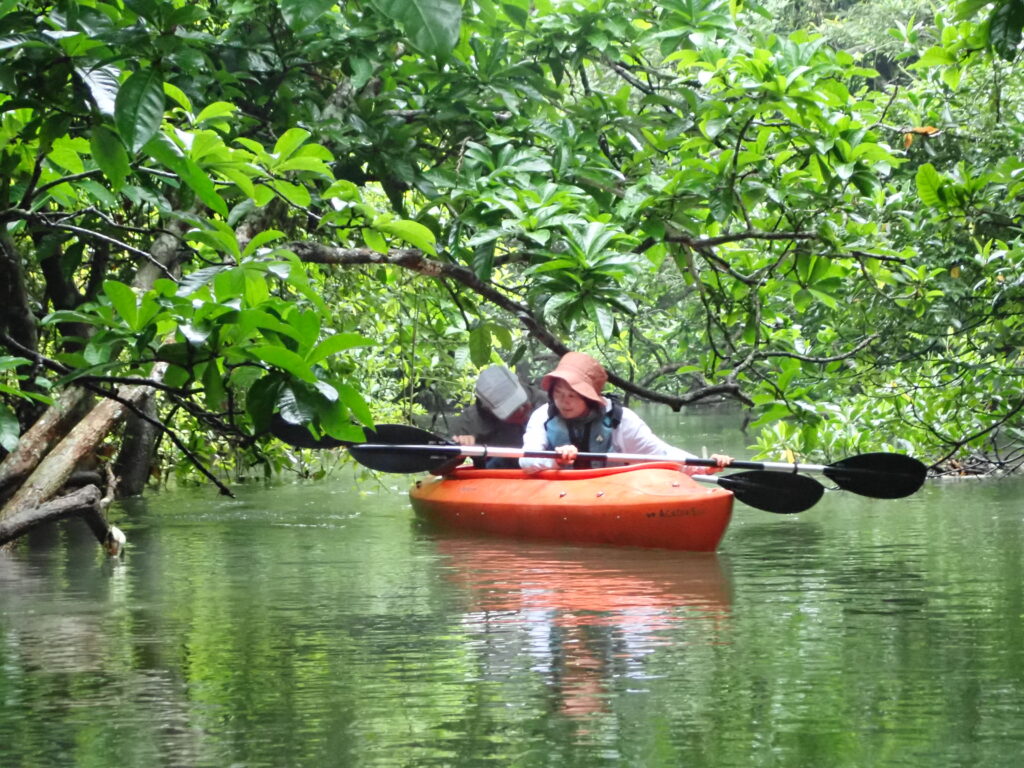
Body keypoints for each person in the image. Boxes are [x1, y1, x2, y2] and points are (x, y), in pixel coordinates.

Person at [520, 352, 733, 472]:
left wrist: (705, 467)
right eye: (558, 393)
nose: (563, 402)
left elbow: (661, 455)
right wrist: (556, 460)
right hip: (559, 488)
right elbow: (527, 461)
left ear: (589, 397)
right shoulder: (543, 416)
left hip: (609, 488)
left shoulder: (620, 420)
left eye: (572, 396)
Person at [448, 364, 545, 468]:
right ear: (489, 410)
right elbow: (439, 467)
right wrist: (460, 451)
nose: (522, 411)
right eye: (512, 410)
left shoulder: (549, 401)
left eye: (523, 403)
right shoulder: (470, 423)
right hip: (495, 478)